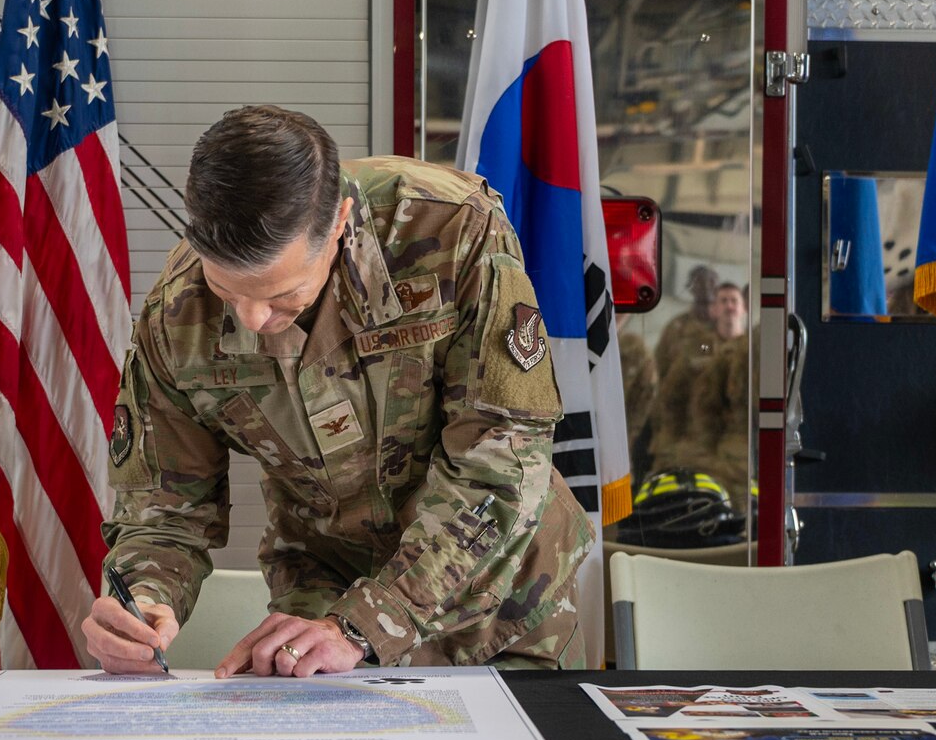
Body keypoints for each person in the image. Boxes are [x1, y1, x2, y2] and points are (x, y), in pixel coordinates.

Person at [82, 105, 593, 676]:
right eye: (227, 291)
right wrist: (145, 598)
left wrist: (366, 623)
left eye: (282, 296)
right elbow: (165, 511)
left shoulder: (452, 231)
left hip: (497, 606)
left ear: (340, 221)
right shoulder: (173, 313)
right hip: (320, 611)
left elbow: (500, 460)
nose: (250, 319)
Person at [648, 282, 751, 509]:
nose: (729, 306)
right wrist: (670, 447)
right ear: (714, 310)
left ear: (744, 308)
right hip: (697, 446)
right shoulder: (697, 348)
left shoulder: (752, 351)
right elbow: (670, 399)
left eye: (734, 301)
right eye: (723, 301)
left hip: (738, 448)